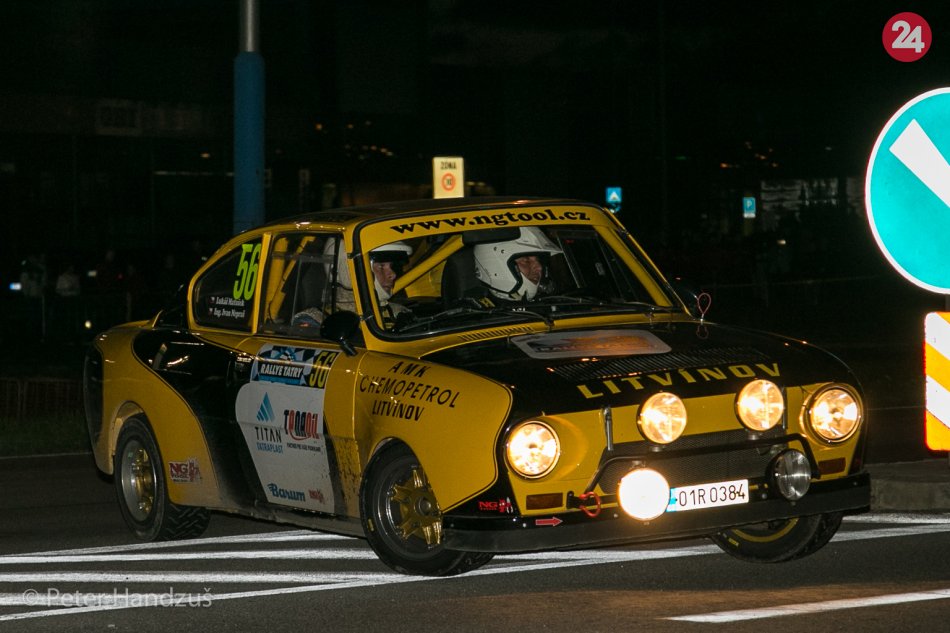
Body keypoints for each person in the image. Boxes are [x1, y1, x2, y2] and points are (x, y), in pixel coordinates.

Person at [292, 238, 413, 328]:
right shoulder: (315, 321)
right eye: (381, 266)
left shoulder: (399, 313)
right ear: (346, 269)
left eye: (392, 266)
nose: (393, 274)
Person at [472, 227, 561, 303]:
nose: (539, 267)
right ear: (495, 266)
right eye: (526, 260)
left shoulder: (553, 305)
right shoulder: (473, 314)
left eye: (538, 260)